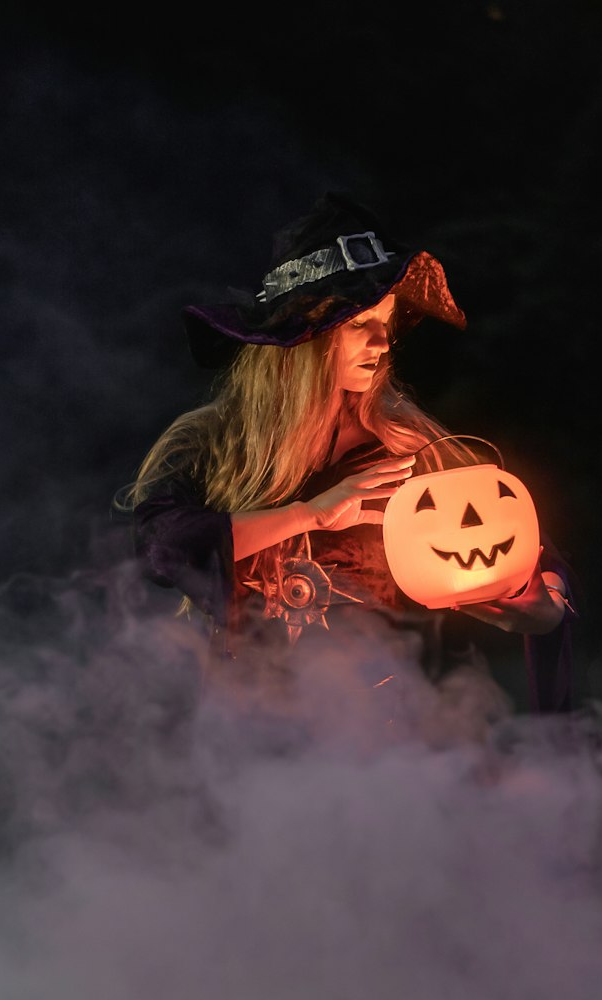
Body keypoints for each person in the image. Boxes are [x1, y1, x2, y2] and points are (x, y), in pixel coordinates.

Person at [119, 190, 576, 721]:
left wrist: (544, 606)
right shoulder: (212, 444)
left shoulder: (405, 448)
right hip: (250, 744)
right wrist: (310, 514)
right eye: (361, 326)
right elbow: (160, 547)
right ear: (304, 337)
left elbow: (527, 551)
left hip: (394, 743)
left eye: (388, 324)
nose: (383, 344)